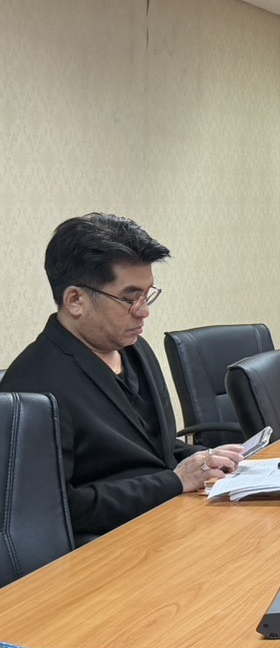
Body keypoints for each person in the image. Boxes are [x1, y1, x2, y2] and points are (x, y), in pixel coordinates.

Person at [3, 213, 244, 541]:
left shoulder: (135, 349)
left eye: (147, 295)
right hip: (111, 546)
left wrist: (204, 461)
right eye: (130, 299)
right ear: (76, 300)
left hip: (170, 522)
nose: (144, 311)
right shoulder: (32, 387)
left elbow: (153, 449)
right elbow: (58, 507)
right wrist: (173, 481)